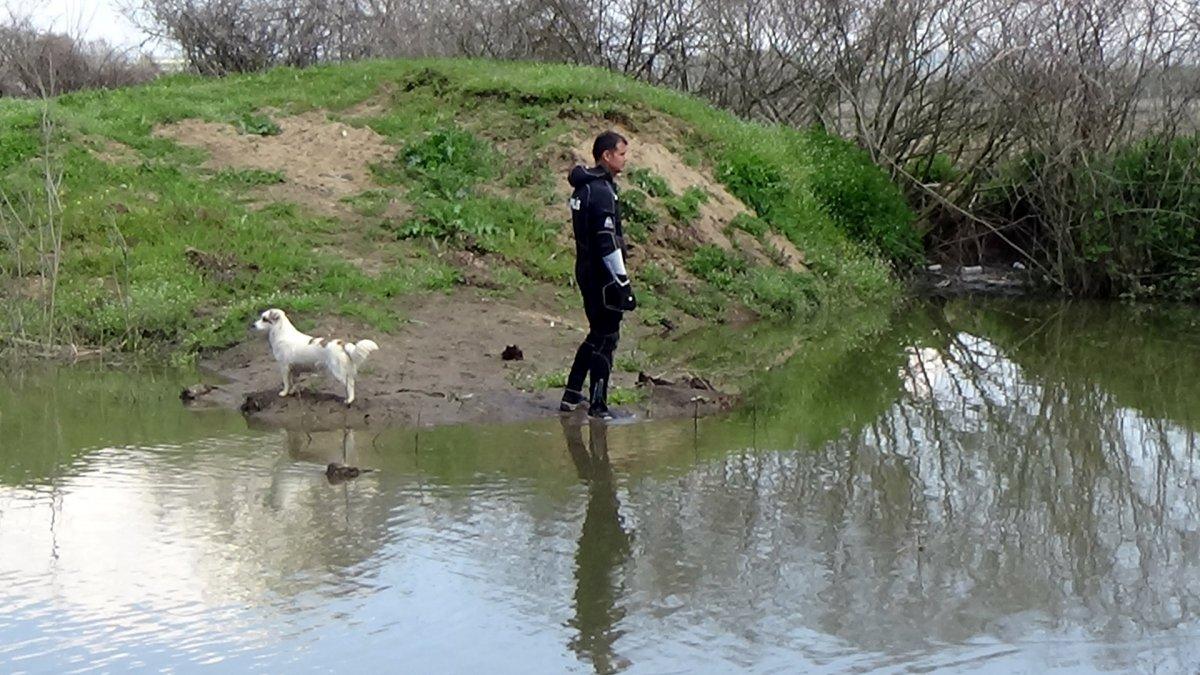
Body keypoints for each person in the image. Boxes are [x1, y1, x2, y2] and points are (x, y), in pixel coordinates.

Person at [561, 131, 637, 420]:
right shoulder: (602, 191)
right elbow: (607, 241)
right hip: (602, 274)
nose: (625, 159)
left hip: (585, 269)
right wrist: (622, 281)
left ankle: (571, 394)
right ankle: (598, 406)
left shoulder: (585, 187)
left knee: (597, 333)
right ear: (606, 155)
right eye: (621, 153)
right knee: (608, 337)